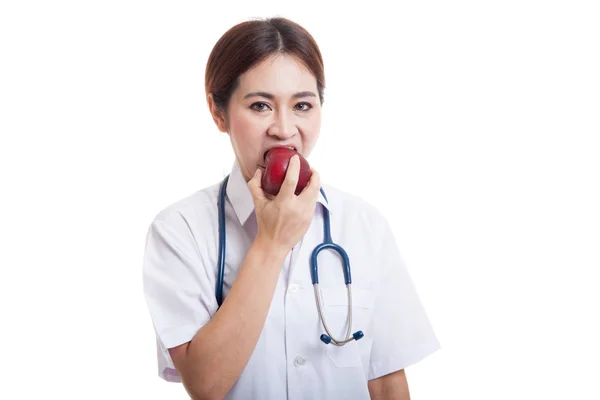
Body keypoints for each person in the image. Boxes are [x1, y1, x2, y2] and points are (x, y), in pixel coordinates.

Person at [142, 16, 440, 400]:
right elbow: (205, 385)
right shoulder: (179, 230)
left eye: (302, 105)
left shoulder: (363, 224)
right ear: (219, 114)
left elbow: (385, 382)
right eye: (261, 105)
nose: (284, 128)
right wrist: (272, 242)